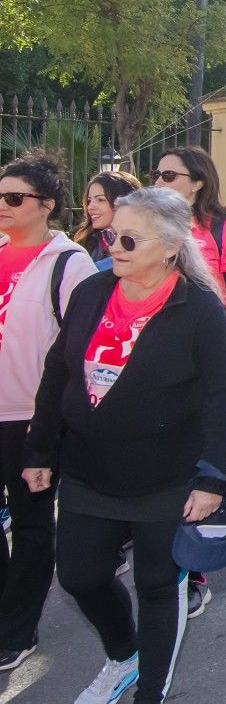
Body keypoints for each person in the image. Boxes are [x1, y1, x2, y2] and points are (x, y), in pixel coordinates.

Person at [24, 187, 226, 704]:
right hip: (87, 471)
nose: (112, 246)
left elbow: (221, 396)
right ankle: (124, 655)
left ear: (169, 247)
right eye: (108, 235)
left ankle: (149, 694)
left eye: (126, 239)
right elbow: (59, 371)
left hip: (168, 479)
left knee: (159, 587)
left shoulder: (200, 309)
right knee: (79, 575)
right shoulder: (93, 292)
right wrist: (39, 448)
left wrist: (211, 479)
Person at [0, 150, 97, 672]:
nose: (3, 205)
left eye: (14, 198)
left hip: (31, 417)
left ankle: (16, 629)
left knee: (33, 523)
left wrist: (51, 423)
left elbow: (76, 349)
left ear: (48, 205)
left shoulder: (68, 262)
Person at [153, 148, 226, 399]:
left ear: (198, 183)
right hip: (154, 342)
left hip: (206, 344)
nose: (157, 182)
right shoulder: (147, 224)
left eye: (168, 175)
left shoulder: (225, 229)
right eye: (155, 174)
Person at [74, 170, 141, 269]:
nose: (90, 207)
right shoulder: (85, 243)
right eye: (89, 200)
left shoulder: (140, 246)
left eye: (100, 200)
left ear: (123, 203)